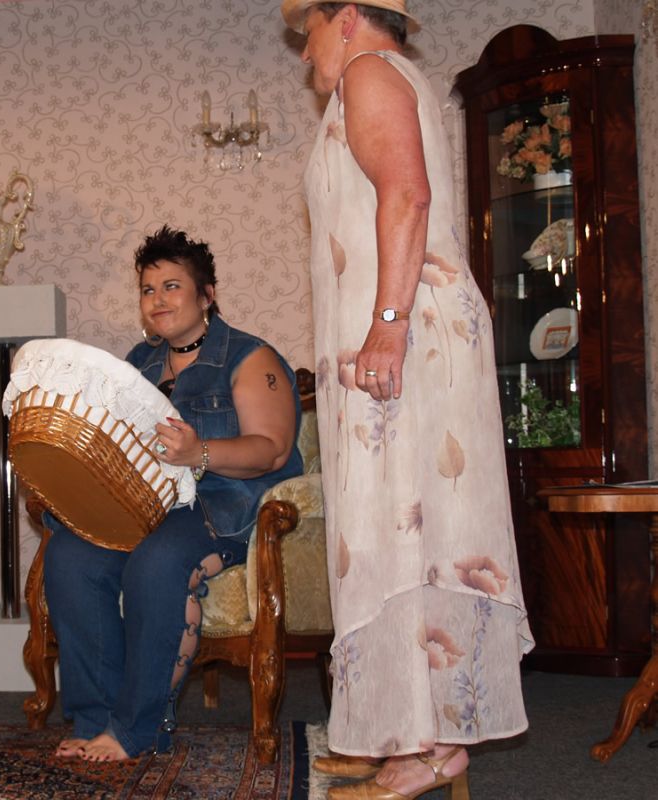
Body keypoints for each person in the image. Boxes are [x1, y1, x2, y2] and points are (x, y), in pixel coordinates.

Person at [281, 2, 535, 798]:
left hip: (408, 336)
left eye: (305, 31)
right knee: (398, 530)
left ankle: (430, 746)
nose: (303, 53)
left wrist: (387, 328)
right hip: (400, 335)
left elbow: (407, 196)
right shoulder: (375, 79)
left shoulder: (368, 72)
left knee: (411, 526)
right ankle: (407, 731)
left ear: (347, 17)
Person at [42, 226, 304, 761]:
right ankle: (95, 718)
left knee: (157, 562)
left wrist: (198, 452)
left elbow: (273, 450)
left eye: (171, 286)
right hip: (147, 507)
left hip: (225, 507)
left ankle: (136, 728)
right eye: (147, 289)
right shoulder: (137, 363)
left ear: (206, 295)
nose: (157, 299)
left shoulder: (249, 358)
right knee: (70, 554)